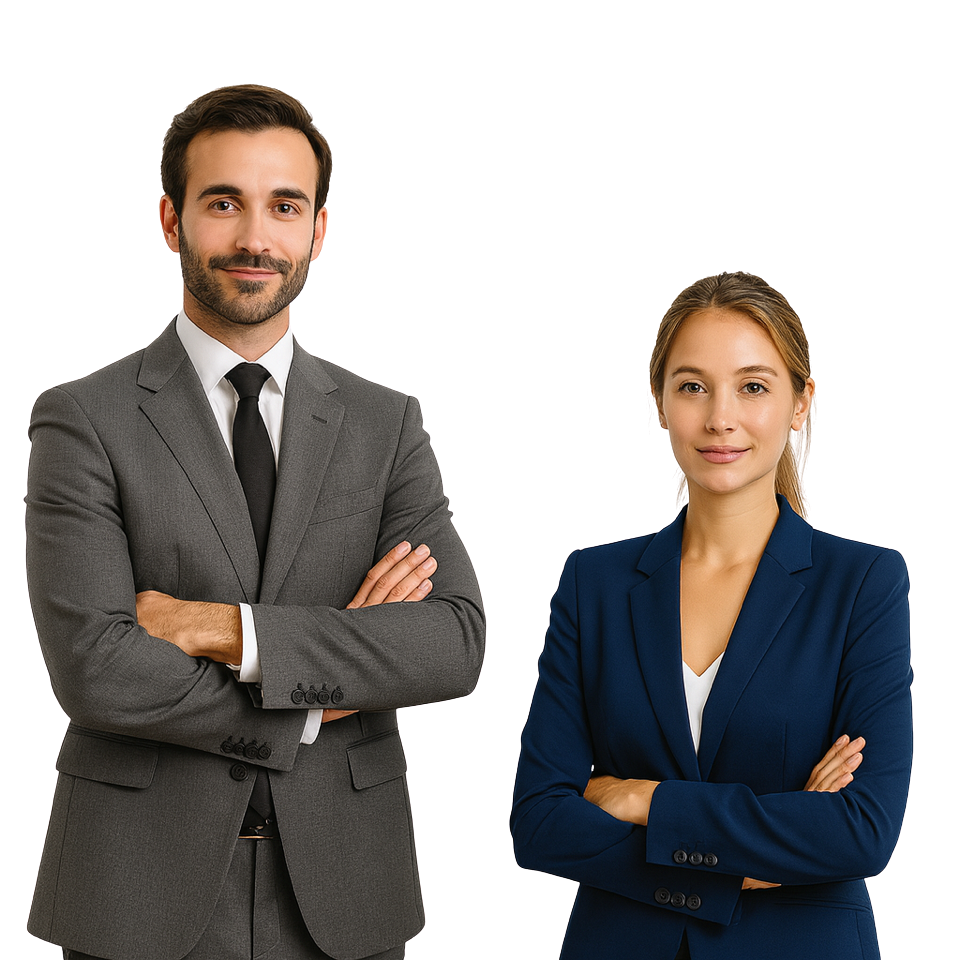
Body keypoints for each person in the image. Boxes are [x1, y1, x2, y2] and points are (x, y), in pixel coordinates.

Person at [26, 84, 484, 960]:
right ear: (172, 220)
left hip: (346, 887)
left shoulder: (384, 424)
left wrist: (222, 630)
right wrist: (316, 698)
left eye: (284, 206)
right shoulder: (83, 419)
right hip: (135, 887)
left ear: (318, 229)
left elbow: (451, 641)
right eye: (223, 202)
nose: (255, 238)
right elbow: (95, 668)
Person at [510, 272, 911, 959]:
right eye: (693, 386)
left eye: (752, 387)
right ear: (661, 402)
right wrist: (749, 855)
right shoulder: (594, 583)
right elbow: (541, 821)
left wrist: (644, 800)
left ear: (799, 402)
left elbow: (860, 830)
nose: (720, 417)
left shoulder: (862, 584)